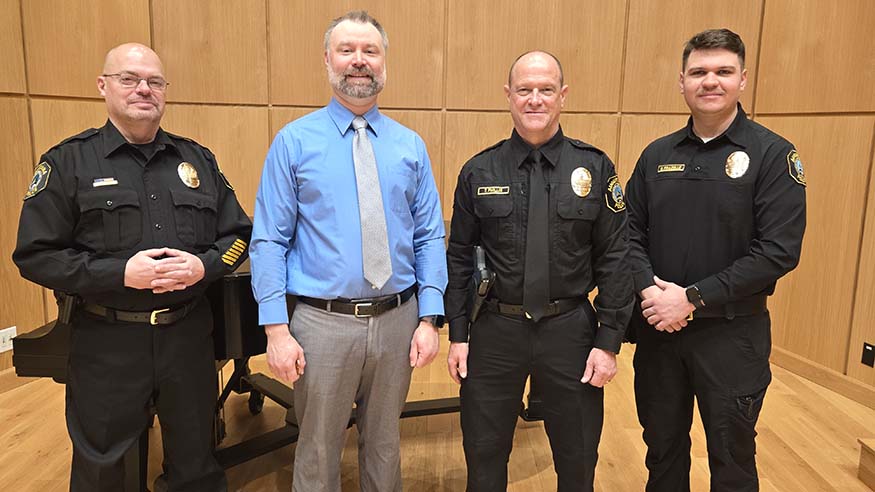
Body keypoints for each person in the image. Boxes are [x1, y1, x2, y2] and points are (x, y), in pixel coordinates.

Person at [13, 43, 252, 491]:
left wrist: (204, 267)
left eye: (154, 82)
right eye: (129, 79)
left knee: (197, 462)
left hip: (188, 337)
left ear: (165, 92)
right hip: (108, 343)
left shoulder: (197, 160)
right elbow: (36, 255)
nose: (144, 89)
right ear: (103, 87)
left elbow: (238, 235)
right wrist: (120, 274)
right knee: (105, 470)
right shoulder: (68, 162)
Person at [249, 10, 447, 492]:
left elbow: (428, 236)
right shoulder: (293, 142)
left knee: (384, 443)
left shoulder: (410, 146)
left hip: (399, 319)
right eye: (347, 50)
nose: (359, 61)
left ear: (384, 64)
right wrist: (276, 330)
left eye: (370, 51)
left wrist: (429, 318)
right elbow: (269, 240)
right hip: (322, 325)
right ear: (327, 61)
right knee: (317, 447)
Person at [625, 28, 806, 491]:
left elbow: (778, 252)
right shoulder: (656, 155)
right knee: (662, 451)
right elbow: (626, 235)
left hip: (732, 337)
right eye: (698, 72)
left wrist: (691, 298)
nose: (711, 81)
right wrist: (650, 291)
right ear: (681, 81)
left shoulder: (772, 155)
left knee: (732, 460)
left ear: (743, 79)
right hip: (659, 331)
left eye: (723, 71)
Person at [444, 50, 634, 492]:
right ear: (508, 96)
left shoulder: (595, 167)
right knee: (484, 454)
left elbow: (615, 258)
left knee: (578, 455)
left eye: (546, 89)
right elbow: (458, 255)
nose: (535, 99)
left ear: (562, 96)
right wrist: (457, 333)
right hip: (495, 329)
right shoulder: (479, 170)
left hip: (570, 331)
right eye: (525, 90)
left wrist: (608, 342)